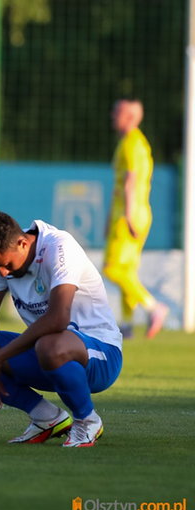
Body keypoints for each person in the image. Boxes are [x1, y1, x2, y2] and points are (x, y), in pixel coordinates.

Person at [0, 211, 123, 447]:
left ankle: (87, 421)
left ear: (23, 242)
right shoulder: (1, 261)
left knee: (50, 344)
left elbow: (58, 319)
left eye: (6, 264)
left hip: (99, 355)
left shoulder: (59, 248)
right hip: (45, 353)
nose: (3, 273)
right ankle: (46, 418)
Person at [103, 98, 168, 339]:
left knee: (112, 269)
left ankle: (154, 308)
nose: (112, 116)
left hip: (128, 214)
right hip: (134, 212)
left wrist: (126, 215)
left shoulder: (132, 143)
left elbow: (130, 181)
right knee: (127, 271)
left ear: (129, 117)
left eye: (117, 112)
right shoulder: (134, 143)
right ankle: (127, 324)